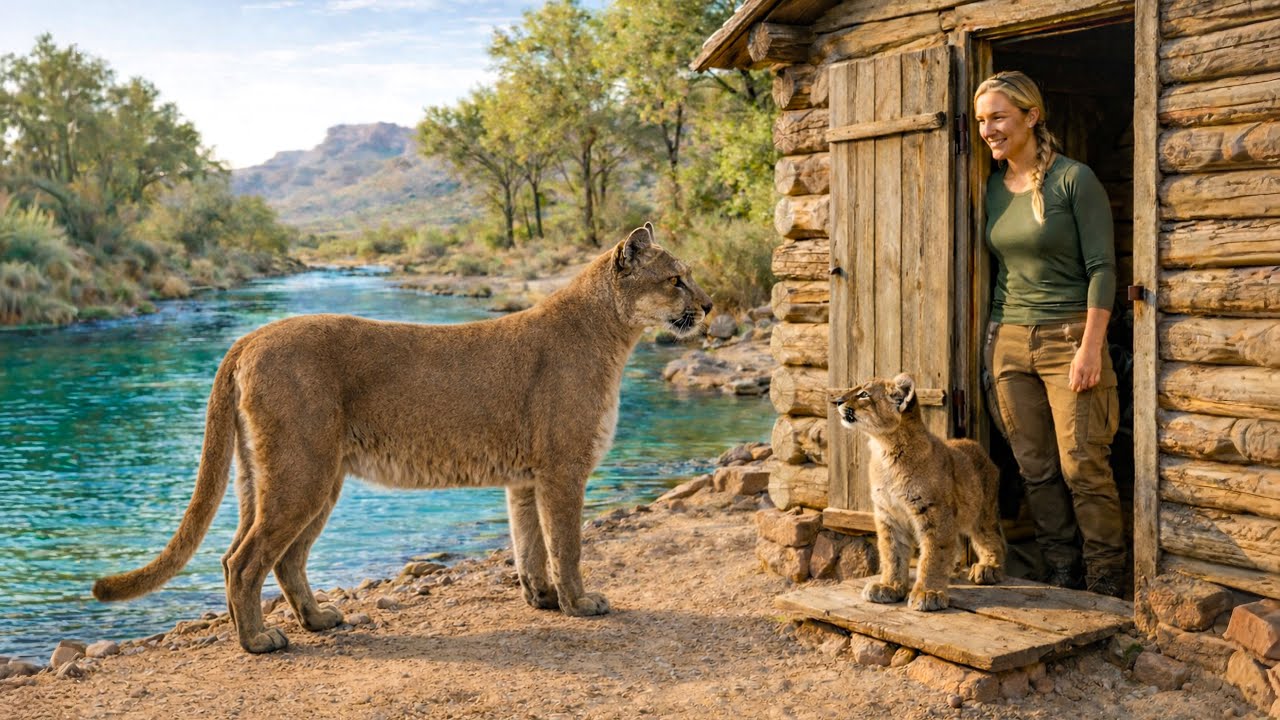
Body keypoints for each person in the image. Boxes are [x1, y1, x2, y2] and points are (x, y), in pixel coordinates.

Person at [974, 71, 1125, 597]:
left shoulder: (1072, 180)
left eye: (998, 117)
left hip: (1070, 337)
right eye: (981, 121)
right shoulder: (991, 186)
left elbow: (1104, 268)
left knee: (1082, 463)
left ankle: (1106, 577)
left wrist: (1090, 346)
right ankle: (1062, 571)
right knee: (1035, 468)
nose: (988, 130)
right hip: (1008, 340)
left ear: (1031, 116)